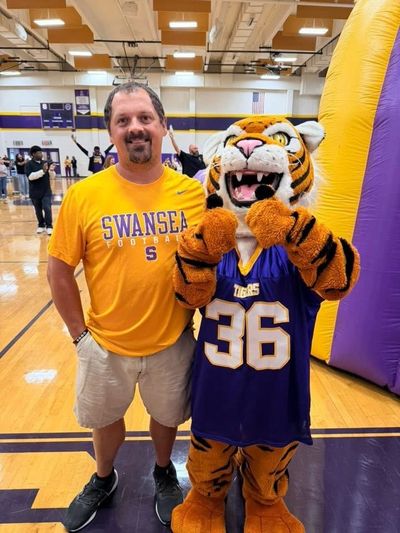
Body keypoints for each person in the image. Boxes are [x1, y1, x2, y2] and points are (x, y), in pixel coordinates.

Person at [47, 81, 205, 532]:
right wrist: (80, 337)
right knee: (104, 419)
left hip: (172, 340)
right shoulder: (84, 195)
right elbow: (59, 272)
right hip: (104, 343)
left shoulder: (193, 194)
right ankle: (103, 477)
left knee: (167, 417)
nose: (135, 127)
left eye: (144, 118)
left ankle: (163, 472)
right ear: (111, 132)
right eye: (123, 120)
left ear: (163, 126)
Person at [25, 146, 55, 235]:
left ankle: (49, 226)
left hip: (46, 191)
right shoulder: (28, 164)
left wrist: (51, 170)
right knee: (38, 210)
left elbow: (52, 177)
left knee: (47, 208)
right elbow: (30, 177)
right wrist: (43, 171)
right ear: (33, 154)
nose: (41, 154)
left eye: (41, 152)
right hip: (35, 192)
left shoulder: (45, 163)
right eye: (39, 153)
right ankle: (41, 225)